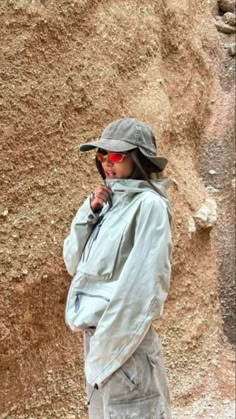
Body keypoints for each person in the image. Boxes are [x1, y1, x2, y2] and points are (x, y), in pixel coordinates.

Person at [63, 117, 172, 419]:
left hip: (123, 344)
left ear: (138, 159)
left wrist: (107, 352)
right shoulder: (108, 205)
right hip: (99, 341)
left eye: (115, 155)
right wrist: (91, 211)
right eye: (101, 155)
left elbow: (144, 290)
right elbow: (73, 262)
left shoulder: (149, 205)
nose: (106, 163)